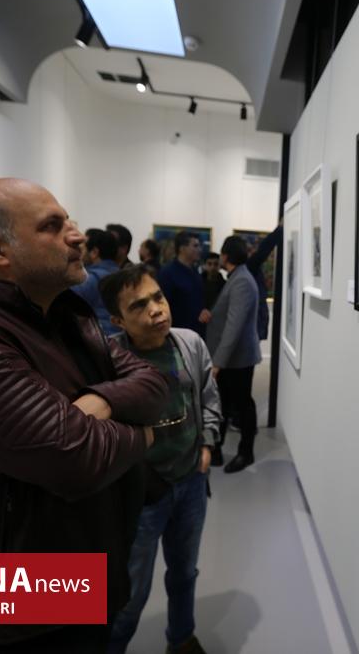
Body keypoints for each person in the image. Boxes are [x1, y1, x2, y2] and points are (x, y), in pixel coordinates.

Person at [0, 178, 170, 652]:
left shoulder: (64, 318)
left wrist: (103, 402)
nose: (77, 235)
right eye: (52, 226)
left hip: (83, 583)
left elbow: (155, 383)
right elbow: (75, 458)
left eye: (69, 221)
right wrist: (143, 436)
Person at [100, 266, 220, 654]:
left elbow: (209, 397)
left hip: (190, 481)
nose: (156, 309)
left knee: (184, 572)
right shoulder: (110, 358)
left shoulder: (189, 343)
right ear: (118, 320)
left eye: (158, 298)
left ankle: (181, 638)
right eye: (139, 305)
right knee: (130, 590)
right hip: (141, 495)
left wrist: (207, 446)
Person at [206, 235, 261, 473]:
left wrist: (218, 362)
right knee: (225, 404)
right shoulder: (237, 277)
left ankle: (246, 453)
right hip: (232, 359)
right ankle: (217, 450)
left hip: (237, 360)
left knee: (242, 405)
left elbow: (234, 326)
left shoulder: (241, 281)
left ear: (226, 256)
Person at [157, 231, 209, 336]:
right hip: (176, 332)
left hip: (196, 332)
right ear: (182, 248)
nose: (199, 250)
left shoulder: (195, 272)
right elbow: (162, 305)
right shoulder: (168, 273)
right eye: (195, 246)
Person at [71, 228, 122, 336]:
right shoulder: (122, 276)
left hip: (100, 339)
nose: (79, 253)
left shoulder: (89, 280)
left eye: (82, 249)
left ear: (94, 252)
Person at [245, 226, 281, 341]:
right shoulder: (249, 266)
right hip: (254, 323)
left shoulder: (249, 269)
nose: (252, 252)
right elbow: (264, 250)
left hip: (256, 322)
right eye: (249, 250)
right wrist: (280, 229)